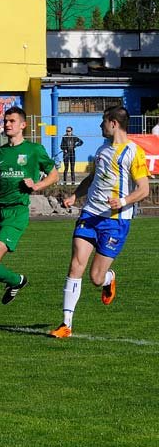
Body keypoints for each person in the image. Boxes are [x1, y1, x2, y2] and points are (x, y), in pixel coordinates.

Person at [50, 106, 150, 338]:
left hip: (115, 221)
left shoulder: (133, 152)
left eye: (103, 122)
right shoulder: (102, 149)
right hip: (90, 214)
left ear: (114, 123)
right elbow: (93, 178)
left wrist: (123, 201)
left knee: (96, 277)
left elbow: (144, 189)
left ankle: (109, 278)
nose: (100, 126)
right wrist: (76, 195)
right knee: (76, 264)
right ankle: (66, 324)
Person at [0, 106, 58, 322]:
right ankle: (16, 280)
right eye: (5, 121)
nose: (7, 124)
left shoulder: (34, 150)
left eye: (12, 121)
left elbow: (54, 174)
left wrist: (37, 185)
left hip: (16, 213)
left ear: (23, 125)